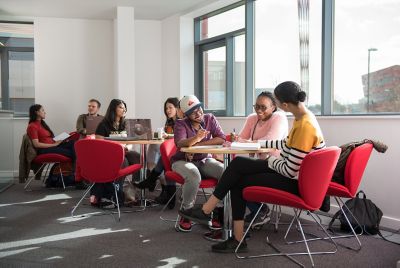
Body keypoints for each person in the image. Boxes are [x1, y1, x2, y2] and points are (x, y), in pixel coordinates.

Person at [179, 81, 326, 253]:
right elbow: (285, 143)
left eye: (276, 102)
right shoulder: (304, 117)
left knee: (238, 179)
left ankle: (215, 218)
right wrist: (259, 145)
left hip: (297, 183)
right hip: (296, 176)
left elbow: (289, 170)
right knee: (238, 166)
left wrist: (269, 161)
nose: (277, 105)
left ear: (284, 104)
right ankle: (221, 223)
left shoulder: (305, 126)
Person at [171, 95, 226, 232]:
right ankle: (186, 212)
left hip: (204, 159)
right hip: (182, 160)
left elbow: (221, 138)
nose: (198, 113)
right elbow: (180, 143)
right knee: (194, 176)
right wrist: (196, 138)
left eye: (199, 108)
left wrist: (198, 143)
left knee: (225, 172)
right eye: (193, 111)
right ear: (186, 114)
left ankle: (215, 211)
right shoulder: (180, 123)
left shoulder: (210, 118)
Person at [237, 91, 288, 224]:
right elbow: (241, 139)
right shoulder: (252, 118)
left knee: (236, 177)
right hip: (259, 162)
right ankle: (256, 210)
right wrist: (237, 140)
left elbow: (271, 140)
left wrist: (248, 143)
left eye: (263, 107)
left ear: (273, 107)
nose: (259, 110)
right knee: (232, 174)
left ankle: (260, 210)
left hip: (275, 164)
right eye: (256, 106)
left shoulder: (279, 117)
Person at [134, 97, 184, 209]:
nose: (168, 110)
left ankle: (151, 179)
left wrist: (168, 136)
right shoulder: (170, 122)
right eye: (166, 108)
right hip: (171, 151)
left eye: (170, 107)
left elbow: (181, 137)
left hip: (181, 152)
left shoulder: (182, 121)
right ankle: (157, 185)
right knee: (160, 154)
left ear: (177, 108)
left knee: (165, 160)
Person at [90, 99, 140, 207]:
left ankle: (133, 190)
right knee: (124, 161)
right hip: (109, 154)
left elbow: (130, 142)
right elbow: (99, 145)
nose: (124, 110)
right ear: (113, 109)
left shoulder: (124, 124)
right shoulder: (103, 125)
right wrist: (117, 148)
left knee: (138, 158)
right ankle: (118, 192)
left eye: (125, 108)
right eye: (121, 107)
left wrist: (127, 147)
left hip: (123, 151)